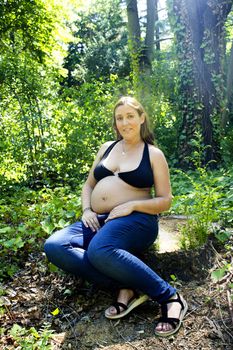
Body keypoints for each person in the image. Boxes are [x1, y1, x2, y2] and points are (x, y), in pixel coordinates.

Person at [44, 96, 188, 337]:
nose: (125, 122)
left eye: (130, 116)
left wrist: (131, 205)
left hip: (138, 220)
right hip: (98, 219)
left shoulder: (153, 154)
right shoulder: (106, 148)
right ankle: (126, 285)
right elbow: (88, 186)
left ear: (142, 119)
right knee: (55, 245)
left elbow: (166, 200)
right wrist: (87, 209)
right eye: (119, 118)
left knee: (99, 249)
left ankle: (169, 296)